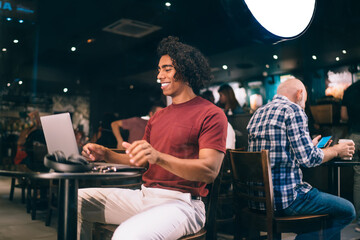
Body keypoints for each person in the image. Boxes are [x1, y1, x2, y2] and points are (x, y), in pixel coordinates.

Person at [78, 36, 228, 239]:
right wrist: (106, 154)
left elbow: (209, 171)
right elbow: (143, 161)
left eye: (167, 69)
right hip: (145, 196)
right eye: (159, 70)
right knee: (73, 201)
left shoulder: (211, 113)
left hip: (183, 204)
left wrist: (158, 157)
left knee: (126, 236)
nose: (160, 75)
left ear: (186, 70)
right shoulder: (158, 117)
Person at [247, 77, 356, 240]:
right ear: (299, 94)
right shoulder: (293, 110)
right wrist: (336, 150)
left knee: (314, 222)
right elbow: (309, 160)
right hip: (285, 199)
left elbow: (279, 152)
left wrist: (308, 146)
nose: (304, 105)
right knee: (347, 211)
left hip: (258, 200)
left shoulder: (258, 113)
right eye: (305, 100)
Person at [341, 80, 360, 232]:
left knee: (358, 178)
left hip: (355, 135)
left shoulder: (350, 90)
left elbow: (344, 116)